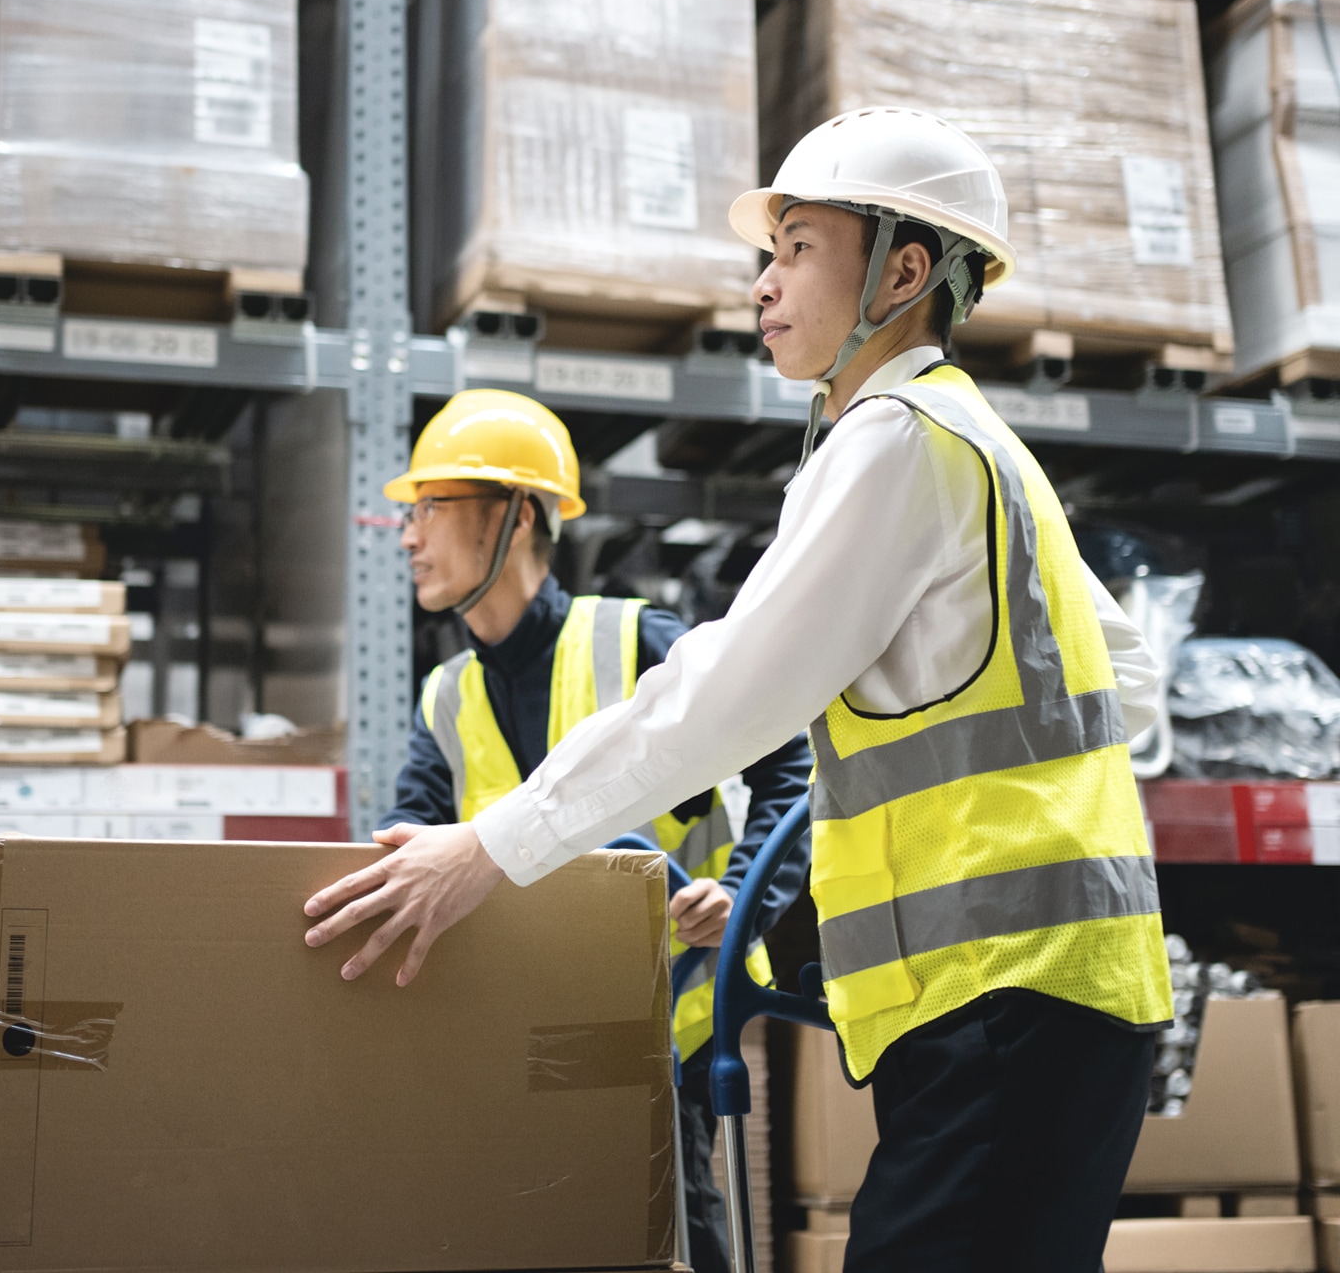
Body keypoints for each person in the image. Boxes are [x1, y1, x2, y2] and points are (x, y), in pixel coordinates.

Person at [305, 108, 1174, 1272]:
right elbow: (1129, 682)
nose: (764, 284)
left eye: (799, 247)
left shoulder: (899, 437)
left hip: (1003, 1001)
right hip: (1048, 999)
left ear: (905, 271)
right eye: (768, 254)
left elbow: (725, 696)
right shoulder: (974, 442)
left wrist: (482, 851)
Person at [375, 387, 813, 1273]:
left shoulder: (636, 641)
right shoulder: (446, 695)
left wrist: (743, 898)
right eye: (410, 513)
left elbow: (791, 763)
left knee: (671, 1249)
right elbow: (406, 837)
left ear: (518, 515)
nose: (410, 535)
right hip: (519, 1039)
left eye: (433, 508)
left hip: (666, 1035)